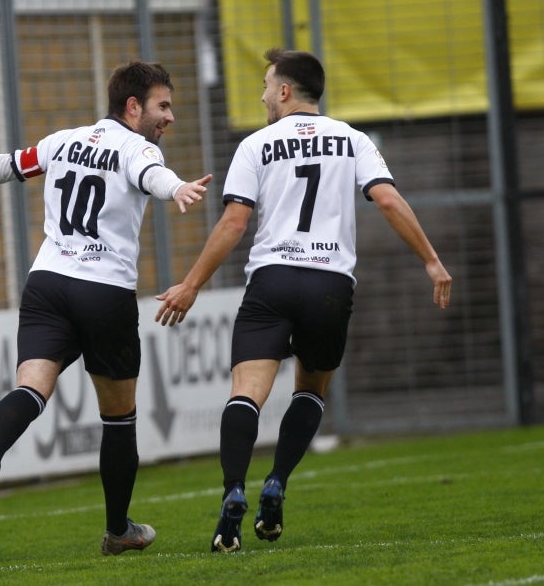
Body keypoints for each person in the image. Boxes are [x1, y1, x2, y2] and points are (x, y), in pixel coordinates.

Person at [0, 61, 212, 556]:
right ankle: (118, 530)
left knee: (31, 387)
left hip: (48, 283)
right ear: (133, 107)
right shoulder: (138, 149)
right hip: (103, 292)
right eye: (162, 106)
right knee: (118, 418)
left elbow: (5, 165)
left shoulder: (63, 140)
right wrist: (179, 188)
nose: (169, 117)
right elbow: (152, 174)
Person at [154, 48, 451, 552]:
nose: (263, 94)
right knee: (310, 391)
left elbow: (233, 223)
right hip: (329, 285)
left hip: (271, 281)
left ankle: (231, 501)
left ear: (286, 91)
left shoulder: (255, 145)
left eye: (268, 85)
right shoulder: (353, 140)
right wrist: (430, 260)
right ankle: (277, 483)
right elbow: (387, 198)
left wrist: (190, 285)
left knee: (246, 393)